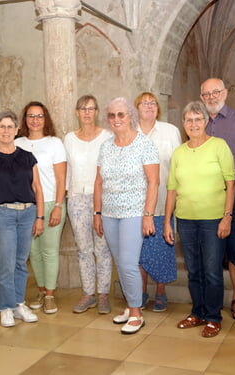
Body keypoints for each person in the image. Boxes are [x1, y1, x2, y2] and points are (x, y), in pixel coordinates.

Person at [164, 101, 235, 338]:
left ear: (206, 122)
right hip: (185, 219)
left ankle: (214, 317)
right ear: (183, 124)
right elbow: (172, 189)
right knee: (193, 270)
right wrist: (167, 222)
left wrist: (227, 217)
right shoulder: (179, 153)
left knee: (212, 271)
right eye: (189, 120)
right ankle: (198, 312)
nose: (193, 124)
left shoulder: (219, 146)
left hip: (213, 220)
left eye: (198, 119)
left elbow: (231, 183)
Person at [93, 97, 159, 334]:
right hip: (109, 213)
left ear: (130, 115)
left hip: (134, 212)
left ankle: (136, 313)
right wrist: (97, 212)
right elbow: (99, 182)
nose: (116, 119)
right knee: (120, 262)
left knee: (129, 262)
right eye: (112, 115)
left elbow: (154, 182)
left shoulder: (144, 144)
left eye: (121, 114)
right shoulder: (106, 146)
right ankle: (131, 305)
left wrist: (148, 215)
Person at [0, 110, 44, 327]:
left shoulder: (27, 157)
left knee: (20, 263)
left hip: (27, 214)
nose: (6, 131)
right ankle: (5, 307)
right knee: (6, 263)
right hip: (1, 214)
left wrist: (40, 217)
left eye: (10, 127)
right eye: (2, 126)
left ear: (17, 130)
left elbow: (37, 188)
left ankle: (18, 304)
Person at [200, 78, 235, 320]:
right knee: (212, 247)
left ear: (225, 92)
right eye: (206, 94)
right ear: (202, 98)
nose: (212, 97)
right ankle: (212, 299)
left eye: (216, 92)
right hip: (207, 194)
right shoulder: (198, 122)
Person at [64, 95, 114, 314]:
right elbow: (65, 170)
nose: (86, 112)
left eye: (91, 108)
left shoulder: (107, 136)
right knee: (84, 249)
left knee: (102, 248)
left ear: (97, 112)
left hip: (101, 197)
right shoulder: (69, 139)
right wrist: (65, 196)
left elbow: (110, 169)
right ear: (77, 112)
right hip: (76, 198)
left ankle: (103, 295)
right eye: (83, 109)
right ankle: (88, 294)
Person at [15, 101, 67, 315]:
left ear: (45, 119)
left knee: (49, 250)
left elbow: (61, 178)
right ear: (25, 119)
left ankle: (50, 296)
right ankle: (41, 289)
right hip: (27, 205)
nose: (35, 120)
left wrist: (57, 205)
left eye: (39, 116)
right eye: (30, 116)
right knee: (33, 252)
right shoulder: (18, 144)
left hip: (50, 203)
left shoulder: (55, 143)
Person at [135, 92, 181, 312]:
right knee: (139, 250)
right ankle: (141, 291)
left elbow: (178, 166)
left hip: (163, 199)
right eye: (144, 103)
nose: (149, 106)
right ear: (136, 108)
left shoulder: (170, 131)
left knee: (162, 247)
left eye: (153, 103)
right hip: (135, 204)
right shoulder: (129, 132)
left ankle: (161, 292)